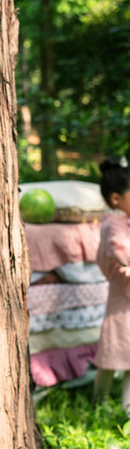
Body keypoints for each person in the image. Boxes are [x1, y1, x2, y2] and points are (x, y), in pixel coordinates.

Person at [93, 156, 130, 415]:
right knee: (111, 353)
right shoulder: (114, 223)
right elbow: (118, 250)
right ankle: (99, 402)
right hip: (121, 294)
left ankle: (127, 410)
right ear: (116, 199)